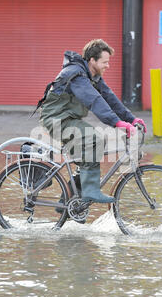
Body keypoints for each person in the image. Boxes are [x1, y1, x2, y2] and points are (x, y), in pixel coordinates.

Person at [39, 39, 147, 204]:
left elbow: (109, 97)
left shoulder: (92, 75)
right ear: (92, 60)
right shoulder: (76, 74)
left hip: (68, 118)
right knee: (95, 139)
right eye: (105, 62)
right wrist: (117, 123)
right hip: (56, 119)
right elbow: (94, 100)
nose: (108, 66)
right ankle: (90, 191)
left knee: (86, 157)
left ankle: (67, 203)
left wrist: (130, 119)